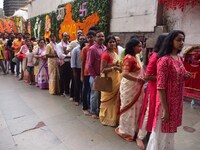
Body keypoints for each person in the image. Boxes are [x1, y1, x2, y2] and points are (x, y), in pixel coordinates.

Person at [146, 30, 191, 150]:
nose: (181, 42)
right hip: (165, 102)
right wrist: (165, 109)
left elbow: (178, 76)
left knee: (170, 132)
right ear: (171, 42)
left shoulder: (179, 58)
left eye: (183, 40)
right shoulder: (164, 60)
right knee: (160, 131)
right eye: (178, 40)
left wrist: (184, 75)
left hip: (176, 101)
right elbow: (160, 86)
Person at [136, 34, 168, 149]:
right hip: (154, 90)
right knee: (149, 112)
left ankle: (153, 134)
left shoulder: (168, 56)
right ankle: (140, 136)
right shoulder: (155, 56)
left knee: (157, 114)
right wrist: (163, 78)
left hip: (163, 90)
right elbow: (147, 76)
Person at [115, 38, 145, 142]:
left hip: (137, 86)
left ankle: (134, 129)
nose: (141, 48)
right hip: (130, 86)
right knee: (128, 108)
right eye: (139, 46)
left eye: (141, 45)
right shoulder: (128, 58)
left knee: (137, 107)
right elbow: (124, 74)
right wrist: (138, 79)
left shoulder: (136, 56)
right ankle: (125, 130)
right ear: (133, 47)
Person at [99, 35, 122, 126]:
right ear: (106, 44)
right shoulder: (105, 55)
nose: (112, 43)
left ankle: (114, 119)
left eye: (114, 42)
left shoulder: (115, 53)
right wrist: (114, 67)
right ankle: (106, 118)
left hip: (116, 78)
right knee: (107, 100)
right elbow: (102, 70)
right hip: (109, 80)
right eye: (110, 42)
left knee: (116, 100)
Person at [86, 31, 106, 119]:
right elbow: (89, 65)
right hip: (95, 76)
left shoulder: (105, 48)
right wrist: (95, 76)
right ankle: (93, 111)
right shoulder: (92, 49)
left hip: (103, 75)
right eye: (99, 36)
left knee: (101, 94)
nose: (101, 38)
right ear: (95, 38)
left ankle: (99, 110)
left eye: (102, 36)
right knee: (94, 94)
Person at [81, 30, 96, 115]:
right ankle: (85, 107)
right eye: (88, 37)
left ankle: (91, 106)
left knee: (93, 90)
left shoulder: (97, 47)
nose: (90, 39)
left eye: (91, 37)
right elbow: (83, 62)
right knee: (85, 89)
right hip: (87, 72)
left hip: (95, 72)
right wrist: (82, 75)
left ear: (94, 37)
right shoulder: (85, 49)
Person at [71, 35, 86, 105]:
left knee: (84, 85)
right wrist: (74, 71)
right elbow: (73, 61)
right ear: (78, 40)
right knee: (77, 85)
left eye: (83, 39)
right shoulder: (75, 50)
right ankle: (76, 99)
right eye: (81, 39)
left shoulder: (86, 49)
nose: (82, 40)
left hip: (85, 69)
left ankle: (83, 99)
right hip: (77, 69)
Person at [56, 32, 71, 96]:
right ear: (62, 37)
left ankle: (67, 91)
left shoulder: (70, 44)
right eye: (65, 36)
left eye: (67, 36)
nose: (66, 37)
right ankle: (61, 91)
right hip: (63, 63)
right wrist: (68, 56)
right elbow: (60, 55)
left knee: (68, 77)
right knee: (62, 77)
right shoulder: (59, 45)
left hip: (69, 63)